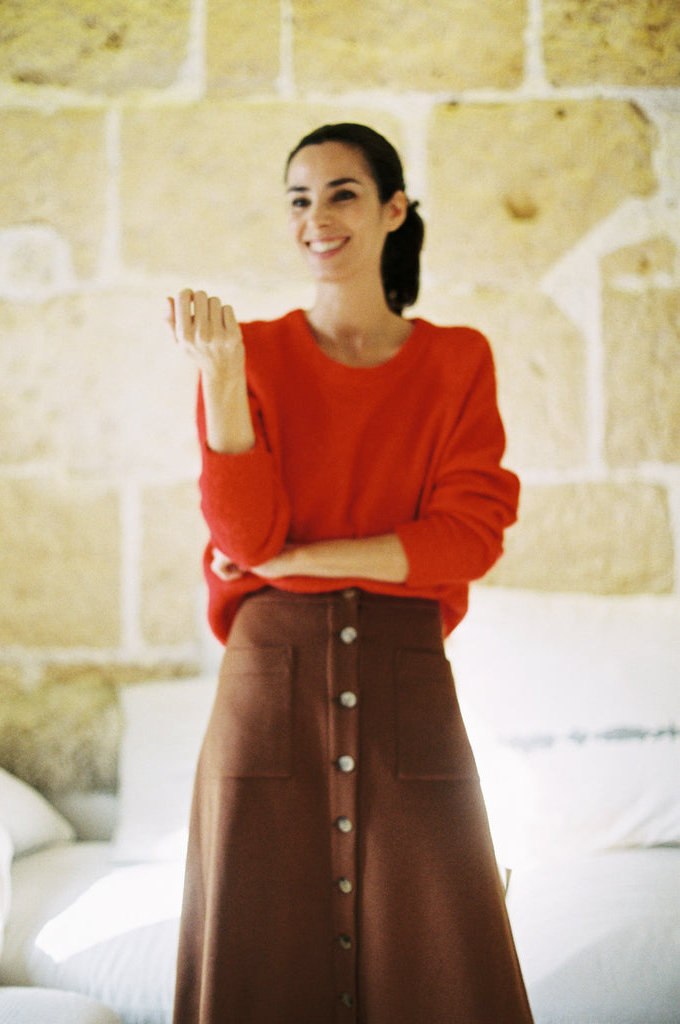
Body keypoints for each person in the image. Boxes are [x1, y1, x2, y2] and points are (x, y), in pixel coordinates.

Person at [166, 122, 533, 1024]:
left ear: (392, 210)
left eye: (342, 194)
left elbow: (467, 539)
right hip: (267, 689)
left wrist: (289, 561)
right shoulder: (247, 354)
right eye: (299, 199)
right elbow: (243, 531)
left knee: (441, 960)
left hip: (409, 684)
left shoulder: (457, 360)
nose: (317, 218)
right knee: (262, 955)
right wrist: (221, 373)